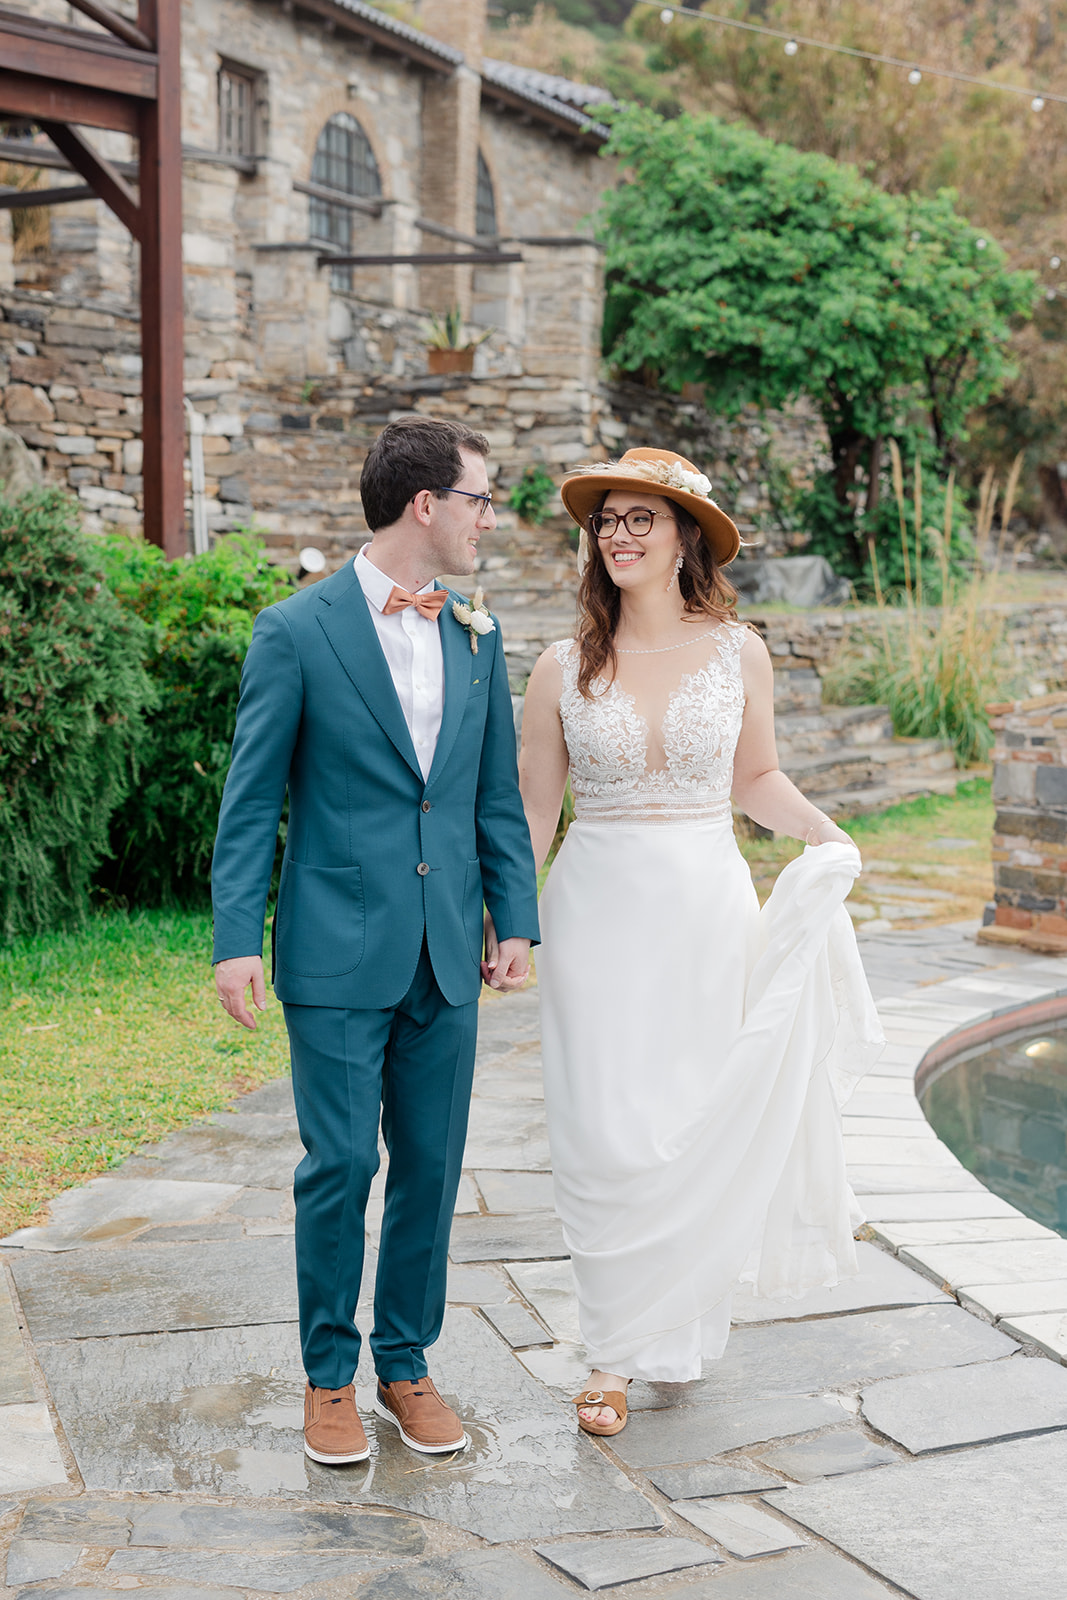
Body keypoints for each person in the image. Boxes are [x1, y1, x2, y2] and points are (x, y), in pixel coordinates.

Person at [511, 447, 883, 1437]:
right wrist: (504, 920)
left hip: (704, 915)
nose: (619, 534)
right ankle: (609, 1353)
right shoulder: (558, 667)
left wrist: (826, 834)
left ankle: (666, 1330)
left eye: (642, 517)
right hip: (593, 918)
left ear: (684, 536)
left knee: (685, 1117)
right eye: (607, 519)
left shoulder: (737, 652)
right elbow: (533, 810)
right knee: (602, 1129)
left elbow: (753, 778)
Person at [212, 416, 539, 1465]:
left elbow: (491, 797)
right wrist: (235, 936)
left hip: (447, 951)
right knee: (342, 1164)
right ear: (425, 503)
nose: (492, 519)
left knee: (431, 1169)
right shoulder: (294, 631)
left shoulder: (478, 636)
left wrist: (514, 919)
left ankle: (405, 1364)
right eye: (480, 498)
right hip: (335, 949)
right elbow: (249, 799)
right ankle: (328, 1379)